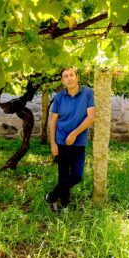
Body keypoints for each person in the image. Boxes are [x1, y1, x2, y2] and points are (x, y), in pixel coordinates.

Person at [46, 67, 95, 212]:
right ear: (62, 80)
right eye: (65, 76)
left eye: (71, 75)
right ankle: (64, 204)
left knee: (77, 176)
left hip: (78, 141)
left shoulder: (87, 93)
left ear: (77, 77)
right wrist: (53, 143)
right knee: (63, 175)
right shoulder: (59, 96)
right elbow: (53, 120)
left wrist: (74, 133)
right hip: (61, 141)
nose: (69, 78)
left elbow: (91, 116)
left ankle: (51, 196)